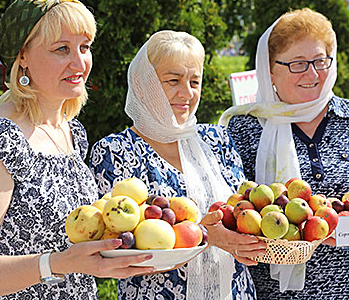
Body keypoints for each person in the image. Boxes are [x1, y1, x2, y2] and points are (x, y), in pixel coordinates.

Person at [0, 0, 154, 300]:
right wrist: (55, 264)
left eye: (84, 47)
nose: (79, 62)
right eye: (62, 49)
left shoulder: (71, 131)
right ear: (23, 57)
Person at [219, 8, 349, 299]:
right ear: (270, 70)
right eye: (298, 64)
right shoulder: (245, 129)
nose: (313, 74)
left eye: (320, 61)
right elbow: (231, 210)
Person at [90, 30, 265, 300]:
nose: (186, 93)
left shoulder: (216, 139)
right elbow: (120, 243)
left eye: (194, 81)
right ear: (141, 82)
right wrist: (205, 235)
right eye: (173, 80)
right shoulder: (115, 151)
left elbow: (240, 207)